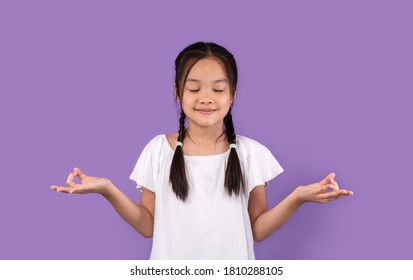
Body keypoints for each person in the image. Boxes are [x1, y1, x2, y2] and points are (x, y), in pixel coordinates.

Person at [51, 42, 353, 260]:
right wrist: (108, 190)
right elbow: (147, 226)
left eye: (218, 89)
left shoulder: (250, 153)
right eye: (194, 88)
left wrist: (298, 196)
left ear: (232, 95)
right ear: (177, 92)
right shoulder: (158, 150)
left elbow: (257, 230)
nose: (206, 98)